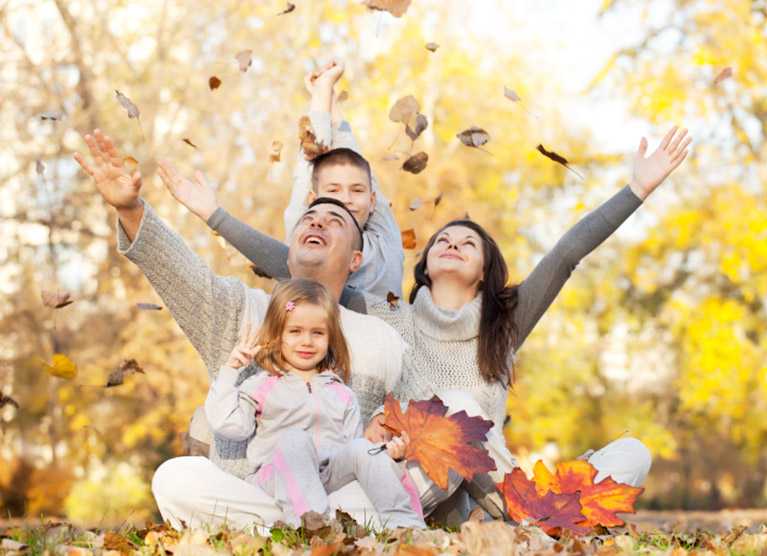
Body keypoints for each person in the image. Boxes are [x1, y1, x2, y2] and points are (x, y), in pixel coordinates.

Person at [213, 125, 692, 520]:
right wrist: (217, 217)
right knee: (455, 410)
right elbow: (307, 267)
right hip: (420, 484)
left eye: (469, 242)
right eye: (444, 239)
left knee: (633, 454)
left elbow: (567, 254)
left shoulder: (505, 322)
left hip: (497, 492)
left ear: (485, 268)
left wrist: (636, 190)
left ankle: (543, 520)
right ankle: (538, 523)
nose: (453, 244)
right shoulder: (385, 315)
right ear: (424, 264)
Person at [72, 129, 405, 528]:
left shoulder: (381, 338)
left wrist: (387, 439)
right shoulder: (243, 309)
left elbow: (413, 420)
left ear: (355, 260)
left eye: (334, 220)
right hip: (251, 489)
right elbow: (183, 275)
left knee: (397, 474)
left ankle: (303, 528)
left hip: (340, 490)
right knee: (175, 478)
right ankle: (308, 528)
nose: (318, 223)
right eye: (310, 217)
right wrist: (130, 210)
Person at [163, 60, 403, 304]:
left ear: (372, 200)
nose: (346, 199)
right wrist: (322, 93)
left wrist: (327, 95)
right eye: (333, 190)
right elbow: (310, 157)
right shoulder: (308, 239)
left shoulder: (385, 242)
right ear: (312, 200)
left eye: (357, 190)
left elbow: (357, 166)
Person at [202, 278, 424, 529]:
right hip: (277, 476)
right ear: (278, 334)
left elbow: (353, 453)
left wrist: (392, 460)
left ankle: (406, 526)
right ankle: (312, 526)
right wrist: (231, 370)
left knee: (363, 448)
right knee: (294, 439)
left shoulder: (341, 393)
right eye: (295, 331)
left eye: (317, 333)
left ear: (330, 337)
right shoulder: (262, 385)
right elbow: (229, 425)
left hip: (327, 477)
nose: (306, 341)